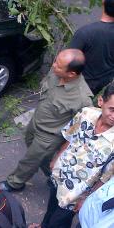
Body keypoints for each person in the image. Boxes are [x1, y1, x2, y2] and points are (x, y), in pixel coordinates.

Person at [0, 49, 93, 192]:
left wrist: (62, 147)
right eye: (55, 61)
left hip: (49, 137)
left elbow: (80, 126)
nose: (53, 66)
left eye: (58, 65)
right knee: (34, 151)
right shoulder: (55, 73)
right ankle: (50, 169)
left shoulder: (82, 98)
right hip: (35, 123)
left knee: (29, 160)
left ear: (71, 73)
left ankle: (14, 183)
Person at [31, 85, 114, 228]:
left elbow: (105, 178)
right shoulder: (86, 114)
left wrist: (87, 199)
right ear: (101, 102)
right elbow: (70, 137)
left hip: (76, 194)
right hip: (60, 174)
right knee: (51, 207)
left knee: (59, 222)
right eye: (112, 109)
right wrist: (57, 158)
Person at [69, 0, 114, 92]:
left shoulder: (85, 33)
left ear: (103, 3)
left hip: (81, 84)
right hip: (104, 83)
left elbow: (69, 62)